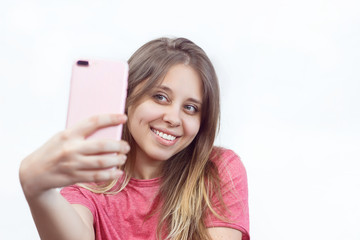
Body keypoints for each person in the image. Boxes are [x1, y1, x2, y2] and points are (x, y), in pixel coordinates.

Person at [19, 37, 249, 240]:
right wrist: (37, 189)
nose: (173, 118)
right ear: (127, 97)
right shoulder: (92, 179)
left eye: (190, 108)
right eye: (160, 97)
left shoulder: (218, 169)